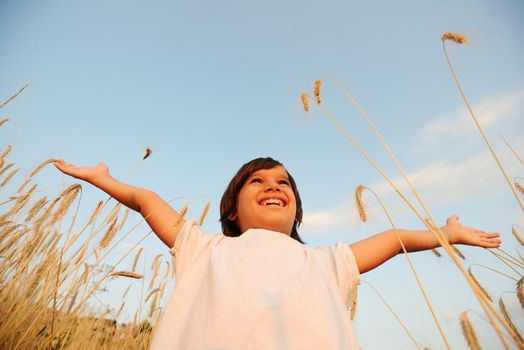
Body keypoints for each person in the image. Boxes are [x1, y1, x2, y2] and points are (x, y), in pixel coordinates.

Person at [54, 157, 501, 349]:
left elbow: (394, 239)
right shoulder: (203, 249)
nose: (273, 185)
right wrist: (105, 178)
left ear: (297, 211)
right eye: (258, 181)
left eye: (283, 182)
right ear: (231, 209)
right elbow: (148, 201)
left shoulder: (328, 261)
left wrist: (444, 233)